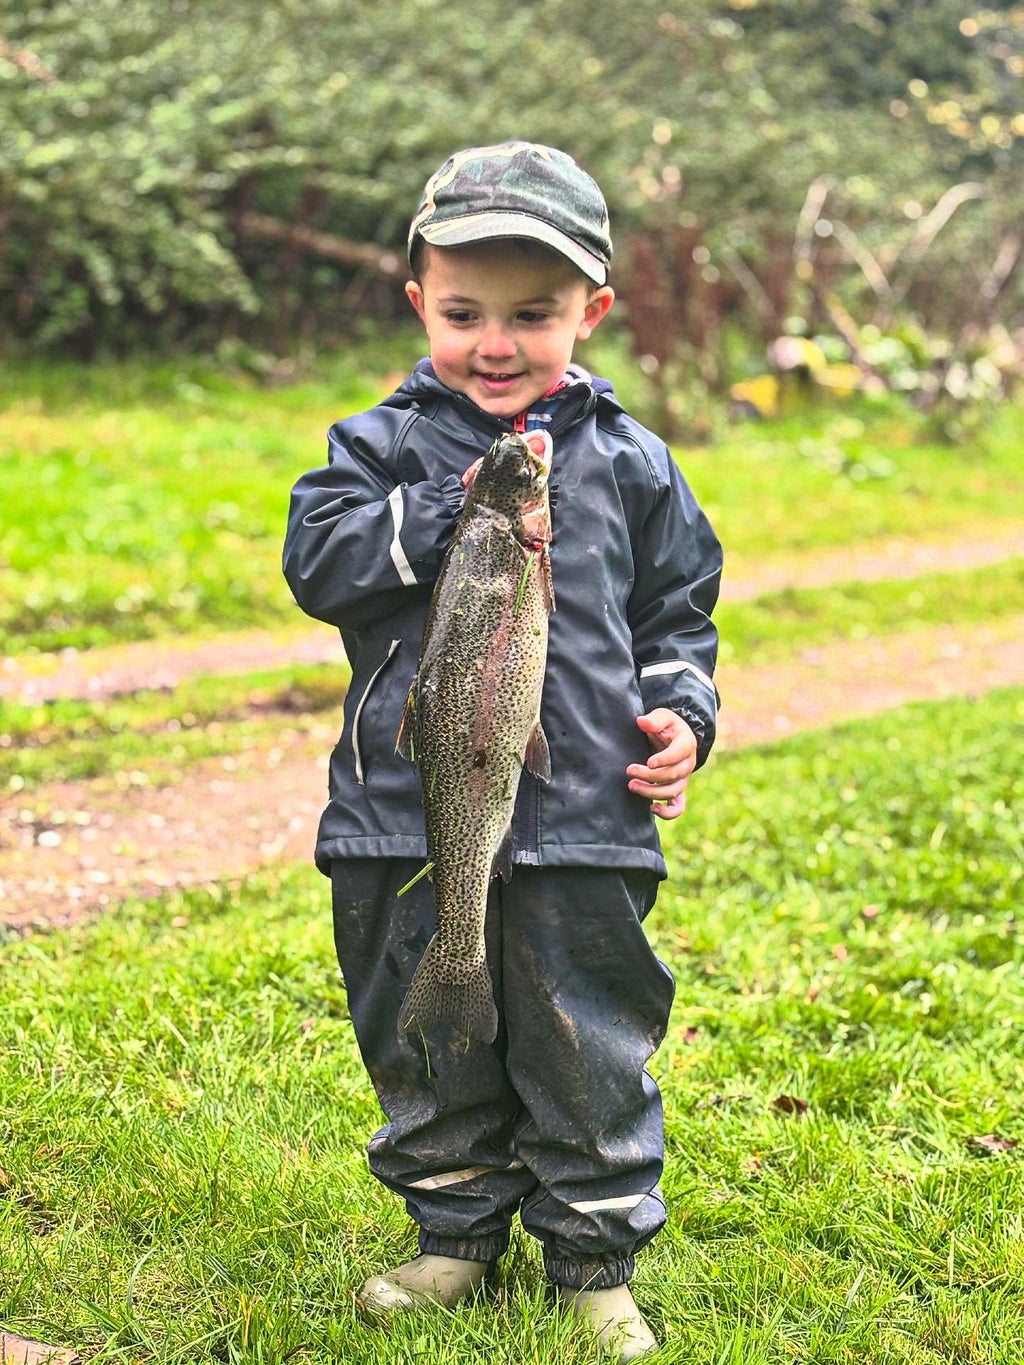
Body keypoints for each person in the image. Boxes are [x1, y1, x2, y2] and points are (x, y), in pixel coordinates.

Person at [283, 141, 722, 1361]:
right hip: (402, 812)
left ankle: (590, 1255)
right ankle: (452, 1232)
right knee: (424, 1031)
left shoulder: (631, 463)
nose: (495, 344)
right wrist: (456, 506)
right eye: (465, 312)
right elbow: (319, 565)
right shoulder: (377, 450)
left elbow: (679, 610)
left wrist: (683, 715)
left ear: (593, 312)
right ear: (419, 299)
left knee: (592, 1035)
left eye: (532, 316)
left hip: (584, 813)